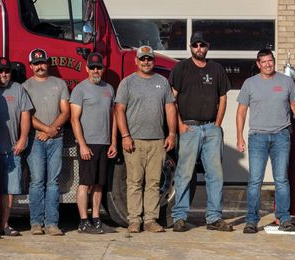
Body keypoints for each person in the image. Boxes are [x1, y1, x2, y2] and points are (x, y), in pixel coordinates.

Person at [236, 49, 295, 234]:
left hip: (281, 136)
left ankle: (283, 218)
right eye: (264, 62)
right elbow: (241, 111)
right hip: (257, 137)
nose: (268, 64)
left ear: (274, 62)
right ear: (258, 64)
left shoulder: (286, 81)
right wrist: (239, 136)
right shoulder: (249, 83)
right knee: (255, 181)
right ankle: (251, 220)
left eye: (270, 61)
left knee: (282, 179)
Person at [168, 33, 232, 232]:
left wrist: (218, 124)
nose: (198, 48)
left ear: (207, 46)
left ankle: (214, 218)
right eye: (195, 45)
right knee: (184, 174)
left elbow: (223, 98)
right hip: (189, 128)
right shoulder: (181, 68)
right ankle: (179, 217)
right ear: (190, 47)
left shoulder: (217, 69)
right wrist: (179, 125)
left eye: (202, 45)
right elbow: (172, 99)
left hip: (211, 128)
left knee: (215, 175)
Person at [114, 46, 178, 233]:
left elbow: (170, 109)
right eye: (142, 59)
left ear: (153, 61)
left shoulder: (162, 83)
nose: (146, 62)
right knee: (134, 182)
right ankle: (134, 220)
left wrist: (172, 133)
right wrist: (125, 136)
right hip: (134, 141)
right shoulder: (127, 83)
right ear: (136, 61)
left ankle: (150, 220)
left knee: (154, 182)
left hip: (157, 141)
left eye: (149, 59)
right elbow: (119, 110)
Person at [22, 48, 70, 236]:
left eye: (42, 62)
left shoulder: (59, 84)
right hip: (35, 140)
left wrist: (51, 131)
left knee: (53, 182)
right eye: (36, 63)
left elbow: (65, 111)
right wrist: (45, 129)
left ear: (47, 63)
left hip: (56, 140)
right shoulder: (26, 86)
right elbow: (26, 115)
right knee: (37, 182)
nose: (40, 66)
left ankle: (51, 223)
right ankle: (35, 223)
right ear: (31, 66)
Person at [69, 53, 118, 234]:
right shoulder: (80, 90)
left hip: (104, 143)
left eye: (99, 67)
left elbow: (113, 118)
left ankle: (96, 219)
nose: (96, 70)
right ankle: (83, 221)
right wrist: (82, 145)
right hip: (87, 143)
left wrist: (113, 142)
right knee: (85, 183)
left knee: (99, 184)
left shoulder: (109, 89)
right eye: (93, 67)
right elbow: (74, 119)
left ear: (102, 69)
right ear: (86, 68)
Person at [0, 57, 32, 237]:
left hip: (12, 149)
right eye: (0, 71)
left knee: (9, 190)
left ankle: (5, 224)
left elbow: (25, 115)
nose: (3, 74)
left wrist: (23, 139)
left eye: (6, 71)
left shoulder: (18, 89)